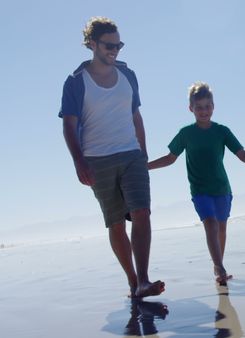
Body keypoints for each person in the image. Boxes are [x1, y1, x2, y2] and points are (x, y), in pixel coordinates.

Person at [59, 17, 164, 298]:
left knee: (142, 212)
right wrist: (79, 161)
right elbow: (69, 125)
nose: (115, 50)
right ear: (92, 44)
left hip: (131, 154)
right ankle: (132, 281)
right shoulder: (75, 82)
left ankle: (143, 279)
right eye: (109, 45)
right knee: (116, 221)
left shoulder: (128, 75)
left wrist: (143, 152)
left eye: (119, 45)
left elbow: (135, 115)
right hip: (97, 158)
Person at [147, 82, 245, 285]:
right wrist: (145, 166)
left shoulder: (222, 131)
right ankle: (220, 268)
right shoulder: (186, 133)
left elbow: (243, 155)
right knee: (210, 224)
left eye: (207, 106)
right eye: (199, 107)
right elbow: (170, 158)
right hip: (200, 190)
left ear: (213, 106)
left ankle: (218, 263)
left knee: (221, 228)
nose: (203, 111)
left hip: (222, 188)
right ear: (191, 108)